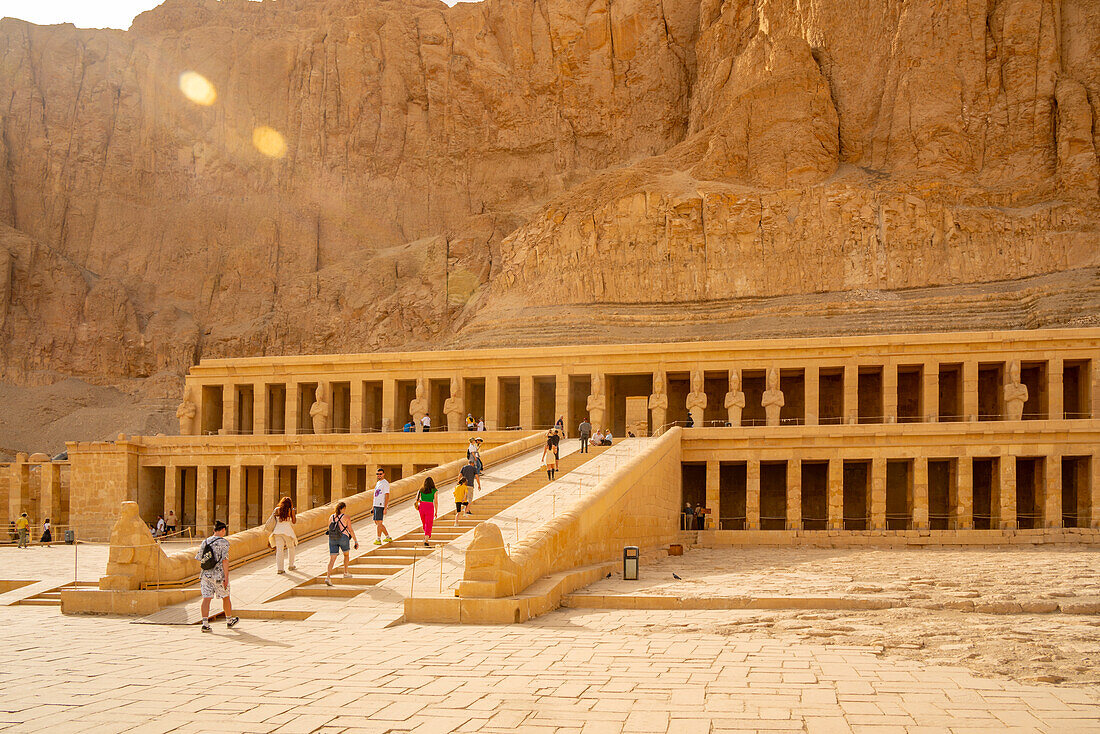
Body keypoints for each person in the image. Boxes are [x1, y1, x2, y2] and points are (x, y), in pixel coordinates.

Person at [196, 520, 238, 632]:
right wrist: (226, 577)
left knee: (206, 598)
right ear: (223, 530)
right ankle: (229, 620)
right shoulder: (224, 543)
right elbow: (225, 561)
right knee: (225, 597)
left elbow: (200, 558)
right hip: (219, 575)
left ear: (214, 530)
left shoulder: (205, 542)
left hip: (205, 574)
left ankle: (205, 623)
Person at [324, 501, 358, 585]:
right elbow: (350, 529)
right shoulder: (346, 517)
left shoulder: (331, 517)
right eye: (344, 508)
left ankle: (328, 577)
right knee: (346, 555)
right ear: (342, 509)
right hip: (343, 537)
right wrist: (355, 541)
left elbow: (329, 529)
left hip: (332, 538)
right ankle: (345, 572)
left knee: (332, 559)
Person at [269, 496, 298, 574]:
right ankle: (291, 565)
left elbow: (273, 520)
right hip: (287, 531)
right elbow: (294, 521)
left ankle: (280, 569)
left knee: (279, 550)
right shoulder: (290, 510)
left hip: (277, 531)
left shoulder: (277, 510)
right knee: (291, 547)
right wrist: (293, 512)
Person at [372, 467, 393, 545]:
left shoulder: (385, 483)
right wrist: (373, 506)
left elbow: (387, 495)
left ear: (383, 474)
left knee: (379, 523)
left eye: (380, 474)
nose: (379, 475)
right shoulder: (378, 483)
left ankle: (378, 539)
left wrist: (385, 507)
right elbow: (375, 495)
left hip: (381, 505)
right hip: (376, 504)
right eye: (377, 474)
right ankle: (388, 537)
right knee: (377, 522)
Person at [416, 477, 438, 547]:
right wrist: (436, 511)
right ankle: (426, 539)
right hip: (430, 506)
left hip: (422, 506)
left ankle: (426, 535)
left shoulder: (421, 490)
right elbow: (436, 501)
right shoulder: (434, 490)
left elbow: (417, 499)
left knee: (424, 522)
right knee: (429, 523)